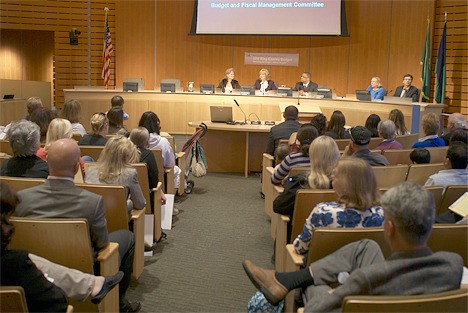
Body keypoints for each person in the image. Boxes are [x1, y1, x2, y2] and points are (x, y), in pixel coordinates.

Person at [242, 182, 464, 311]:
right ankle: (284, 280)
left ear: (389, 228)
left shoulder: (366, 278)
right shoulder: (453, 264)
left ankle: (293, 282)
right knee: (366, 246)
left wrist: (335, 291)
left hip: (369, 303)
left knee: (313, 288)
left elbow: (313, 310)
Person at [14, 138, 141, 313]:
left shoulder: (21, 198)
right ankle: (119, 304)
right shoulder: (92, 202)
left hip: (35, 270)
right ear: (76, 168)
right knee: (128, 237)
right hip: (85, 265)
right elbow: (103, 244)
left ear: (47, 163)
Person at [1, 182, 123, 311]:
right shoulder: (15, 264)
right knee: (127, 237)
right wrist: (43, 279)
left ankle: (93, 284)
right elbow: (58, 303)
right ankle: (117, 301)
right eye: (8, 220)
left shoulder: (16, 260)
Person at [293, 157, 384, 254]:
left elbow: (300, 247)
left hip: (327, 268)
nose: (331, 177)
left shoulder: (323, 212)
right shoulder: (384, 214)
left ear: (346, 183)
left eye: (335, 175)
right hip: (370, 268)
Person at [273, 136, 340, 241]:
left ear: (312, 156)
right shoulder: (345, 186)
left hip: (300, 240)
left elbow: (278, 206)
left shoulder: (300, 182)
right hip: (337, 241)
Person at [85, 136, 146, 215]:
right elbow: (140, 204)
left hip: (92, 220)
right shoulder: (130, 174)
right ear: (126, 156)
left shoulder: (90, 170)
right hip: (118, 221)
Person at [138, 111, 181, 191]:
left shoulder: (131, 140)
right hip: (158, 176)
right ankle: (170, 195)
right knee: (177, 170)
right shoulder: (163, 141)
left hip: (136, 176)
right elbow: (170, 164)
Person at [129, 127, 160, 212]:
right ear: (147, 141)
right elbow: (154, 182)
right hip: (146, 196)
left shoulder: (124, 153)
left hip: (126, 195)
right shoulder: (149, 155)